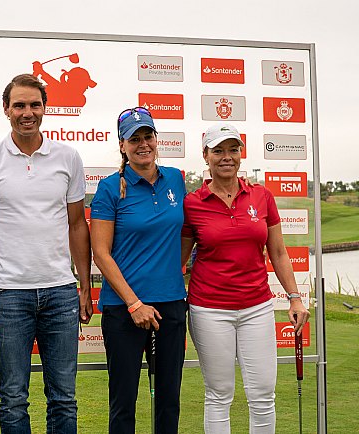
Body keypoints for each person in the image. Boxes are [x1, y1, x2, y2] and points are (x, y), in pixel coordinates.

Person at [0, 73, 92, 434]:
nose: (27, 112)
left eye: (34, 104)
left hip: (60, 291)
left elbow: (76, 225)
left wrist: (84, 286)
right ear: (5, 109)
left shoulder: (68, 157)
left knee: (64, 399)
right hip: (7, 296)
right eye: (19, 105)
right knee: (13, 399)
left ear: (45, 108)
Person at [181, 123, 310, 433]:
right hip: (209, 309)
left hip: (257, 308)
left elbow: (278, 253)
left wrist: (294, 296)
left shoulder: (262, 196)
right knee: (219, 395)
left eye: (233, 149)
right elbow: (179, 260)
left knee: (263, 395)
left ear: (241, 154)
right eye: (219, 150)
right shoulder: (192, 203)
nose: (227, 156)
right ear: (206, 156)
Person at [90, 107, 188, 433]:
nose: (142, 144)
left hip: (170, 305)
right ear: (122, 145)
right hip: (124, 310)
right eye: (134, 139)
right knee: (123, 402)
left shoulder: (175, 179)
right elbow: (101, 254)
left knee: (169, 400)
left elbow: (187, 233)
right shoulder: (109, 188)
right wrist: (134, 303)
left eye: (147, 136)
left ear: (156, 139)